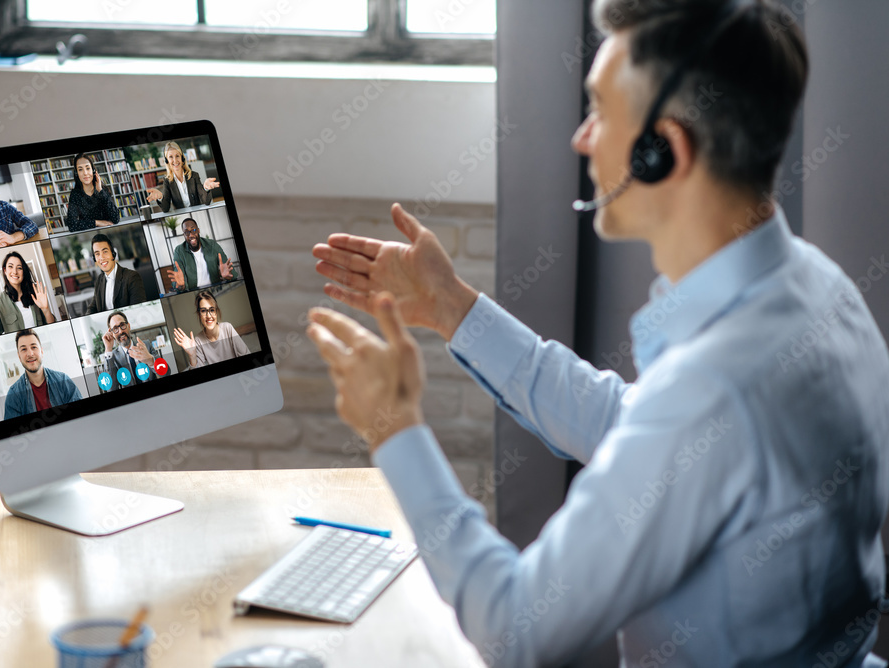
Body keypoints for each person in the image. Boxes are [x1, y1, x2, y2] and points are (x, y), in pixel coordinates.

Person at [305, 1, 889, 666]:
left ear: (660, 151)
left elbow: (515, 626)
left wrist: (395, 430)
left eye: (601, 111)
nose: (581, 137)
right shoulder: (821, 291)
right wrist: (453, 308)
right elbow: (635, 423)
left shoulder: (717, 387)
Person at [4, 329, 83, 419]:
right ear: (19, 356)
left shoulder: (63, 380)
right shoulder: (13, 394)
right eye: (24, 349)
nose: (30, 354)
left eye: (33, 347)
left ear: (41, 351)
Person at [0, 250, 55, 337]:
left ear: (23, 272)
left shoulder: (35, 295)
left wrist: (46, 309)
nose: (15, 272)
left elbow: (52, 327)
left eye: (19, 268)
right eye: (10, 266)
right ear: (5, 271)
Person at [172, 290, 250, 369]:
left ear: (216, 311)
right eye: (203, 311)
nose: (208, 316)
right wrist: (192, 356)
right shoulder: (198, 340)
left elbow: (246, 356)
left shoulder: (227, 328)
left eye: (212, 310)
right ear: (199, 315)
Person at [101, 310, 169, 391]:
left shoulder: (145, 345)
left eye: (122, 325)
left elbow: (166, 373)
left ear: (128, 326)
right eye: (115, 328)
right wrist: (108, 350)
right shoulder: (113, 357)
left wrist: (151, 360)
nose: (121, 331)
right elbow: (111, 388)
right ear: (112, 333)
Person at [144, 141, 218, 212]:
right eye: (170, 157)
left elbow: (206, 201)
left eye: (177, 156)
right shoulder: (167, 181)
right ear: (167, 161)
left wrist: (206, 188)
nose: (175, 160)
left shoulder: (194, 175)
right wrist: (160, 197)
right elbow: (166, 208)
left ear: (182, 158)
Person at [165, 217, 234, 292]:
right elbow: (179, 285)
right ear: (184, 235)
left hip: (215, 291)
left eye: (193, 230)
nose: (191, 235)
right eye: (187, 232)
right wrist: (181, 286)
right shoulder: (179, 251)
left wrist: (227, 276)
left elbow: (231, 274)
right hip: (194, 294)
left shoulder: (212, 245)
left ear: (198, 230)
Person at [86, 233, 146, 314]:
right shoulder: (99, 280)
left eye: (105, 252)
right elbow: (92, 307)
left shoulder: (132, 277)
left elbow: (138, 310)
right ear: (94, 259)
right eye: (97, 254)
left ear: (113, 254)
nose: (101, 257)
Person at [65, 153, 120, 232]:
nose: (85, 173)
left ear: (93, 170)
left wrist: (100, 191)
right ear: (77, 173)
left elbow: (116, 218)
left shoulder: (102, 190)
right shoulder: (75, 194)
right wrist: (96, 223)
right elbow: (72, 225)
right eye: (80, 169)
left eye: (88, 168)